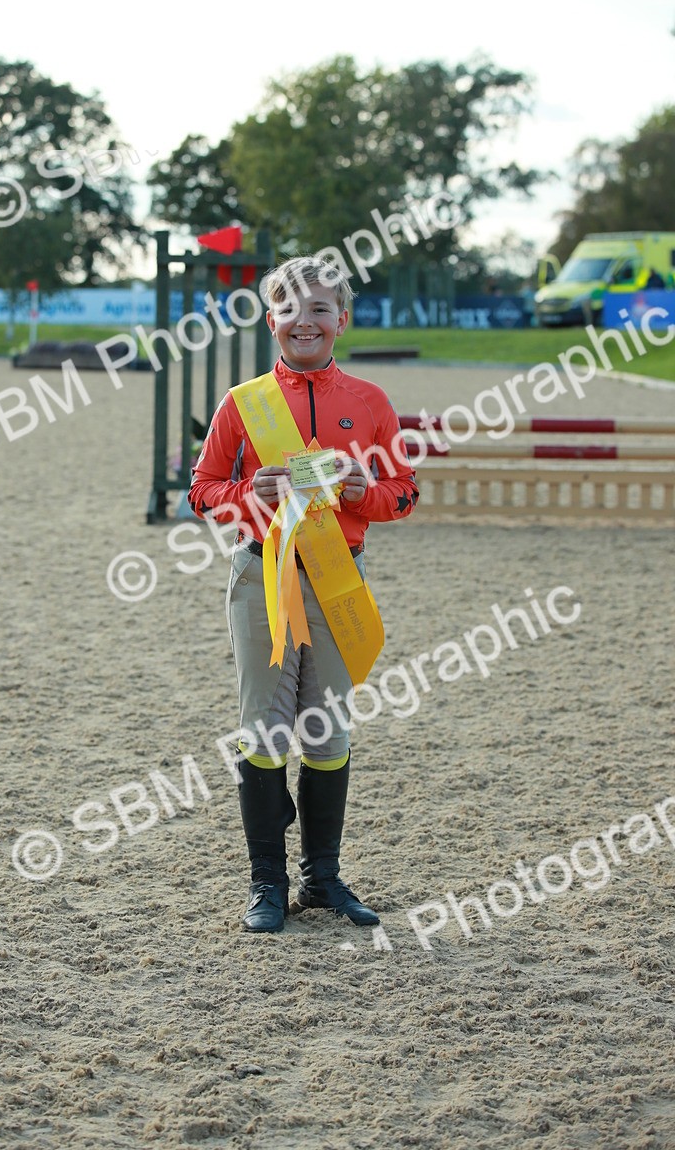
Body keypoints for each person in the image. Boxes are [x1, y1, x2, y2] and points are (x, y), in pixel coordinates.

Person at [188, 256, 419, 933]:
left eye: (320, 309)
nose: (305, 320)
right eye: (290, 309)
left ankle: (323, 879)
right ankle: (267, 884)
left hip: (340, 577)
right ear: (271, 322)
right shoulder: (243, 402)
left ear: (341, 320)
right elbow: (201, 491)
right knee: (263, 733)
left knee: (329, 733)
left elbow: (403, 493)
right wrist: (244, 493)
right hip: (263, 577)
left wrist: (360, 491)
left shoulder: (371, 403)